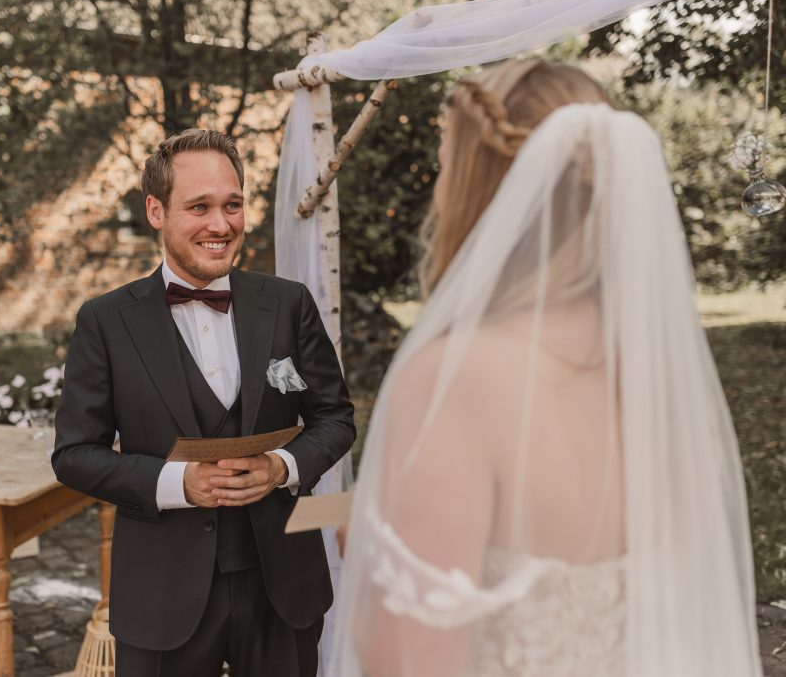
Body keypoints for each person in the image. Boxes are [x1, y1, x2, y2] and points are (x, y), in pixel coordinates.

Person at [331, 60, 762, 676]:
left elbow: (408, 663)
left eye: (446, 165)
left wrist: (378, 565)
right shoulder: (659, 375)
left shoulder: (455, 380)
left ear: (481, 185)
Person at [52, 129, 355, 677]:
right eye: (199, 207)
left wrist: (282, 467)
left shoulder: (288, 303)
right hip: (162, 589)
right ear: (155, 211)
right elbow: (74, 454)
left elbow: (334, 418)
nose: (221, 225)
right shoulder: (106, 321)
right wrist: (178, 484)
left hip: (282, 581)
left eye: (232, 205)